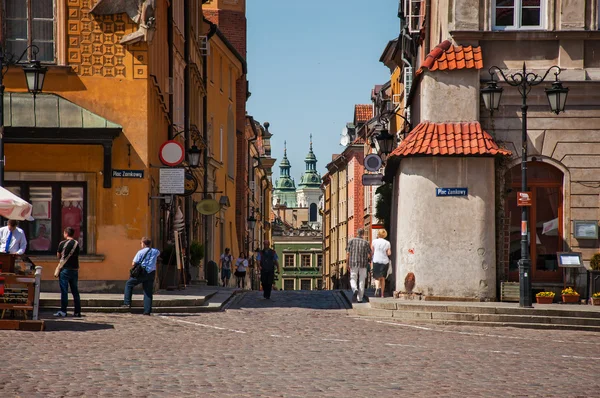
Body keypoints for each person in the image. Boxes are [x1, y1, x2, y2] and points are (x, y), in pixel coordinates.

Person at [122, 237, 160, 315]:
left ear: (143, 243)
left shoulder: (140, 252)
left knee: (129, 284)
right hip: (151, 272)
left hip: (142, 272)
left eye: (141, 243)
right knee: (148, 292)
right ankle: (147, 311)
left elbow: (133, 263)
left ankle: (127, 303)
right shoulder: (156, 251)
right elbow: (158, 254)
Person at [54, 227, 81, 317]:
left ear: (65, 233)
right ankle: (77, 312)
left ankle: (63, 311)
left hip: (65, 269)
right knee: (75, 291)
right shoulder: (76, 244)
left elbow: (58, 256)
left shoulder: (62, 243)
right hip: (74, 269)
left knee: (64, 291)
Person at [346, 228, 371, 303]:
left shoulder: (351, 241)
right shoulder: (366, 242)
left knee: (353, 278)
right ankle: (360, 298)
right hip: (363, 264)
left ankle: (354, 289)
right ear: (363, 234)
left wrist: (347, 264)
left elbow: (348, 253)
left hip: (353, 263)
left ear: (356, 233)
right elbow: (369, 254)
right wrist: (368, 260)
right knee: (362, 280)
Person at [371, 228, 392, 298]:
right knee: (383, 278)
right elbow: (389, 253)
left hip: (376, 260)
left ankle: (377, 288)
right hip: (384, 261)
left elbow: (372, 251)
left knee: (377, 277)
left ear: (378, 234)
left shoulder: (374, 241)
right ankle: (382, 294)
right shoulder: (387, 243)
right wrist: (386, 252)